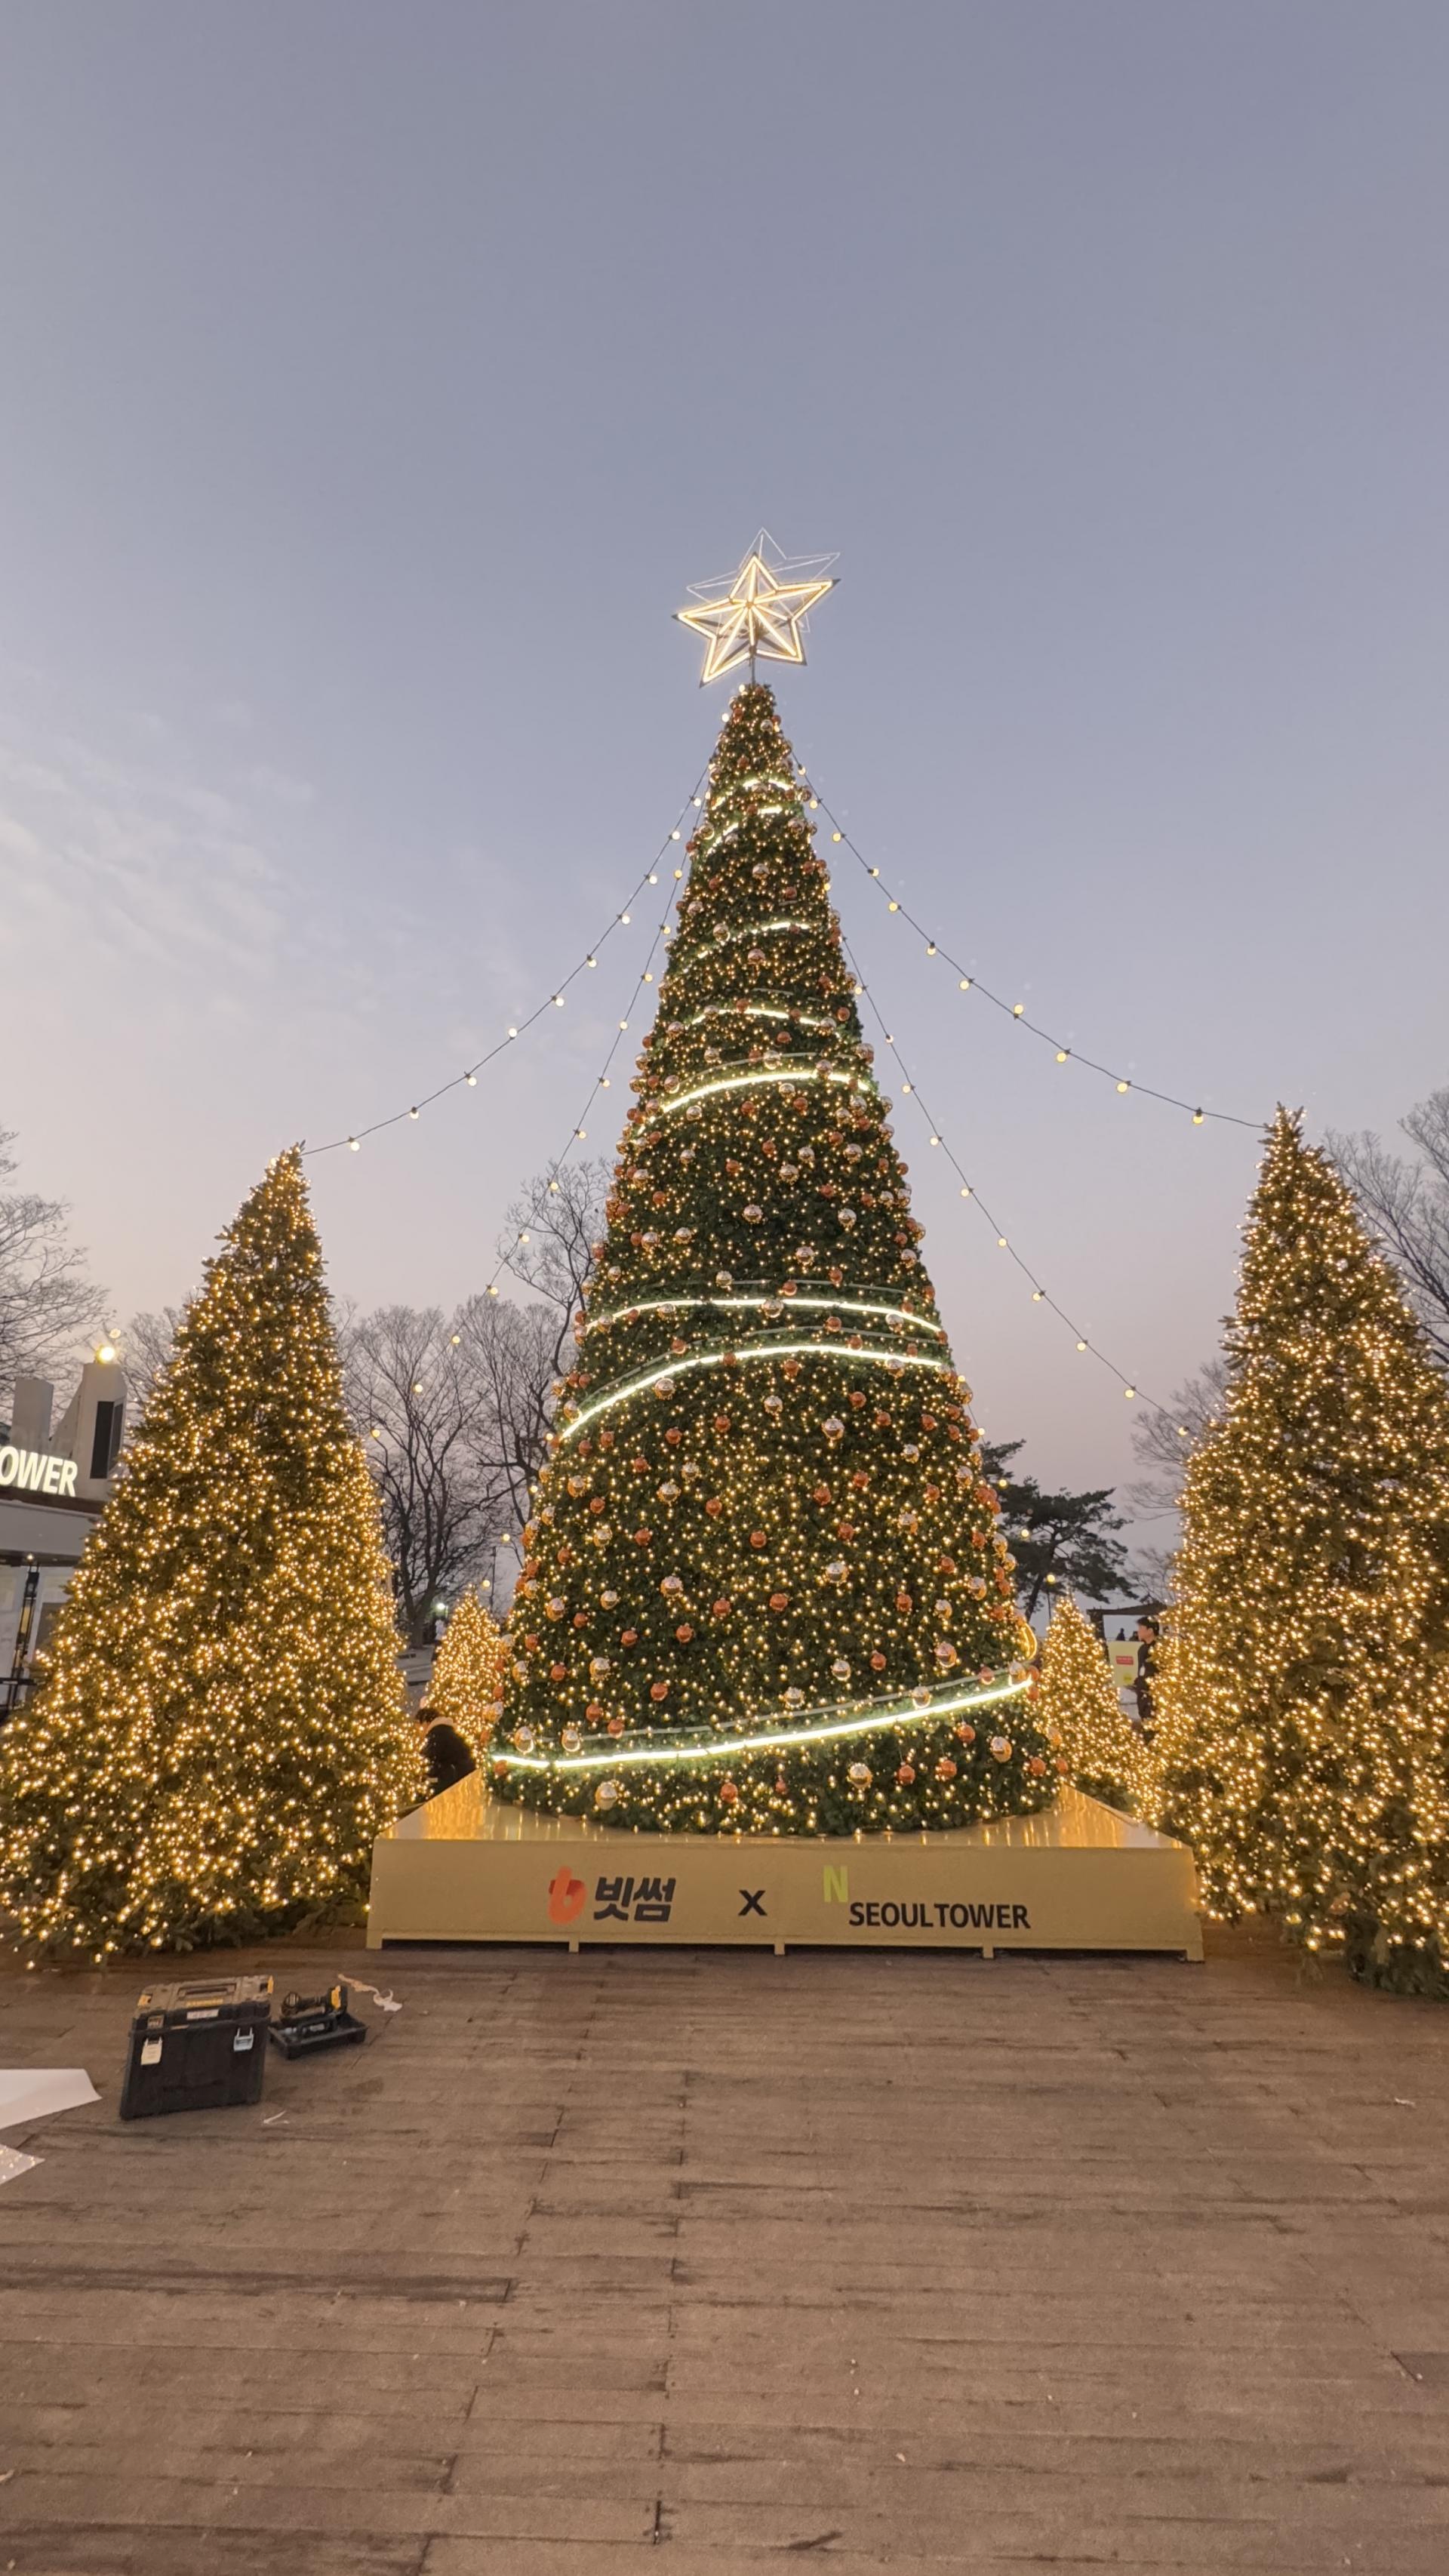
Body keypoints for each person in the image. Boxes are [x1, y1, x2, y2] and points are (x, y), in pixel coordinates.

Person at [415, 1705, 477, 1799]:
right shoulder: (446, 1731)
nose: (419, 1732)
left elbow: (430, 1764)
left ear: (425, 1723)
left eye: (418, 1727)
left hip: (452, 1784)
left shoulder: (436, 1736)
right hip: (465, 1779)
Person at [1133, 1617, 1159, 1739]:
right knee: (1144, 1718)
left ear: (1150, 1630)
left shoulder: (1159, 1649)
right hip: (1142, 1691)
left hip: (1154, 1693)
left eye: (1141, 1628)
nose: (1138, 1631)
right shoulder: (1142, 1649)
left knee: (1152, 1722)